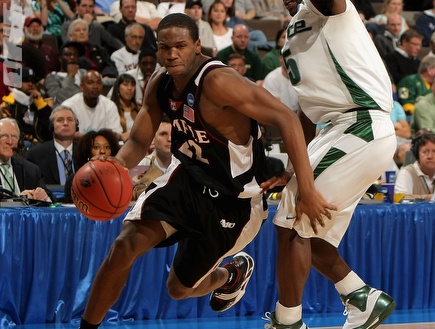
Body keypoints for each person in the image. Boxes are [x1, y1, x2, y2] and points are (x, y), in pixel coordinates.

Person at [78, 13, 333, 329]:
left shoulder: (218, 82)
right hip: (186, 180)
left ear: (197, 45)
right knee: (124, 246)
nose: (171, 54)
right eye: (164, 47)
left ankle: (230, 274)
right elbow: (138, 141)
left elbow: (288, 119)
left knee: (178, 289)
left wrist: (304, 187)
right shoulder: (160, 83)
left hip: (234, 201)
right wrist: (117, 165)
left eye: (180, 46)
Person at [262, 0, 396, 328]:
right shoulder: (293, 34)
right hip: (334, 130)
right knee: (312, 233)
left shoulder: (327, 8)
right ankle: (362, 298)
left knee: (291, 224)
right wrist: (297, 166)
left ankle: (288, 322)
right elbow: (306, 112)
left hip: (359, 123)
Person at [0, 117, 54, 202]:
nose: (10, 141)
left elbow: (50, 198)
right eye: (4, 136)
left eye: (14, 136)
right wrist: (18, 199)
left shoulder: (30, 170)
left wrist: (42, 195)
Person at [0, 67, 53, 149]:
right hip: (18, 147)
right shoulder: (7, 105)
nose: (30, 84)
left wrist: (41, 105)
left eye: (32, 81)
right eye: (25, 80)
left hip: (40, 145)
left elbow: (51, 127)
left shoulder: (38, 102)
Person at [62, 70, 123, 139]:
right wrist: (94, 137)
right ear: (81, 86)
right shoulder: (69, 106)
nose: (95, 86)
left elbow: (118, 134)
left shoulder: (109, 105)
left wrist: (113, 134)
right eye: (90, 83)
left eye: (99, 83)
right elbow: (65, 134)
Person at [63, 128, 120, 203]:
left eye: (107, 147)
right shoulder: (74, 181)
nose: (102, 151)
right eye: (96, 147)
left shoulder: (118, 179)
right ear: (88, 152)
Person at [26, 105, 78, 186]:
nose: (65, 123)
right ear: (51, 126)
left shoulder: (85, 152)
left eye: (70, 119)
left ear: (76, 126)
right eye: (60, 120)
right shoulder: (35, 155)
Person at [132, 114, 179, 199]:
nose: (169, 138)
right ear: (153, 138)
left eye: (172, 133)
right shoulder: (142, 165)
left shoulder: (184, 165)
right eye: (163, 134)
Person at [44, 41, 87, 107]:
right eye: (68, 55)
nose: (72, 57)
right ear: (60, 58)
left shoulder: (84, 73)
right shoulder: (52, 78)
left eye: (76, 55)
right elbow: (58, 100)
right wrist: (70, 76)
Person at [395, 132, 435, 200]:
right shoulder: (406, 173)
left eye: (434, 151)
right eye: (425, 152)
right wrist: (430, 197)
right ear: (417, 154)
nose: (430, 156)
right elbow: (400, 199)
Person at [110, 73, 140, 142]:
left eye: (132, 85)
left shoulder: (139, 109)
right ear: (117, 88)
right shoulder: (111, 109)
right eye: (125, 84)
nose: (130, 88)